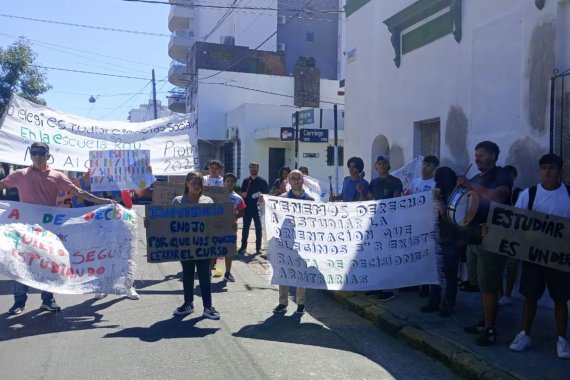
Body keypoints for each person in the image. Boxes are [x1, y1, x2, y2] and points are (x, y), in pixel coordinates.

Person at [1, 142, 116, 315]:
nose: (37, 156)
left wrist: (103, 202)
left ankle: (48, 300)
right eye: (34, 153)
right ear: (30, 155)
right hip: (25, 230)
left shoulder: (57, 176)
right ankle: (19, 302)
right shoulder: (20, 175)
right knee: (21, 264)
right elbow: (2, 185)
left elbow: (78, 193)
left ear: (48, 156)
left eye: (41, 153)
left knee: (48, 263)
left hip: (48, 229)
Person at [508, 154, 570, 359]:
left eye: (551, 168)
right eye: (543, 168)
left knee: (560, 299)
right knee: (530, 296)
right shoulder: (529, 194)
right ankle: (525, 334)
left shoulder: (568, 195)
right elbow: (516, 221)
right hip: (533, 256)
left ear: (560, 171)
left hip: (560, 258)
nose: (547, 172)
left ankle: (562, 339)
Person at [458, 141, 512, 346]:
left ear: (494, 155)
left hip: (491, 238)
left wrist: (470, 185)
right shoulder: (476, 177)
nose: (477, 158)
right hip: (474, 238)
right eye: (476, 154)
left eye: (481, 155)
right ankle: (486, 321)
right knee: (482, 284)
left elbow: (498, 197)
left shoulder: (501, 174)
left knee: (489, 286)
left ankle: (490, 329)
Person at [171, 171, 220, 320]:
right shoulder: (178, 201)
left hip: (203, 246)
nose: (197, 186)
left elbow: (215, 222)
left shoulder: (208, 201)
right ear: (187, 184)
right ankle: (188, 304)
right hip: (185, 245)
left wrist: (229, 225)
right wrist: (151, 224)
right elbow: (168, 222)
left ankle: (208, 307)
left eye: (199, 183)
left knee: (205, 275)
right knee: (187, 275)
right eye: (194, 183)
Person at [420, 167, 461, 316]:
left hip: (451, 239)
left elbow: (445, 215)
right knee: (435, 271)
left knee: (450, 274)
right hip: (437, 238)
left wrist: (439, 200)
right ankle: (434, 301)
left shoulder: (456, 194)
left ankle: (448, 304)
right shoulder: (438, 193)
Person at [272, 170, 314, 316]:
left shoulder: (310, 200)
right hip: (285, 241)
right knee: (283, 271)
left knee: (300, 272)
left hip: (302, 243)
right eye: (293, 178)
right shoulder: (281, 199)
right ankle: (282, 302)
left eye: (299, 178)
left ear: (303, 181)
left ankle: (301, 303)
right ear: (288, 181)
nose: (296, 181)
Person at [365, 155, 403, 301]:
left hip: (389, 224)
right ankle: (377, 286)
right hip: (375, 224)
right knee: (375, 256)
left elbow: (396, 201)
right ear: (375, 167)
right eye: (378, 163)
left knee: (387, 256)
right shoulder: (373, 182)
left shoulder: (395, 181)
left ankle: (388, 290)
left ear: (388, 166)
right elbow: (370, 200)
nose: (381, 165)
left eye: (384, 163)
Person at [409, 155, 439, 297]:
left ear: (434, 168)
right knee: (415, 255)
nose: (424, 167)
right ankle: (416, 283)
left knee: (428, 256)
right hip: (415, 225)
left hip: (429, 226)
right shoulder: (415, 182)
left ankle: (427, 286)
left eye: (428, 165)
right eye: (423, 164)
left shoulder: (436, 184)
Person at [498, 165, 523, 307]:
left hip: (512, 236)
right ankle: (500, 293)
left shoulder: (519, 193)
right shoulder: (499, 192)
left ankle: (507, 294)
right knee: (498, 265)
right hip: (498, 235)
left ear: (514, 177)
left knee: (511, 266)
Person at [216, 173, 245, 282]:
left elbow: (242, 212)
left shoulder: (238, 198)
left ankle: (227, 273)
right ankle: (216, 270)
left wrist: (233, 217)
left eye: (232, 181)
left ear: (234, 183)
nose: (229, 183)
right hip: (216, 226)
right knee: (216, 249)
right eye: (227, 181)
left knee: (228, 250)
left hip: (230, 227)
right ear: (223, 182)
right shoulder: (216, 195)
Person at [239, 162, 269, 255]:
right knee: (245, 228)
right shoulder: (245, 181)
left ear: (258, 169)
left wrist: (262, 196)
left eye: (255, 167)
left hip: (258, 209)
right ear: (249, 169)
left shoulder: (263, 181)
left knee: (258, 228)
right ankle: (243, 247)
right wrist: (242, 194)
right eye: (251, 167)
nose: (253, 169)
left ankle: (258, 248)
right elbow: (242, 193)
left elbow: (267, 194)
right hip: (247, 208)